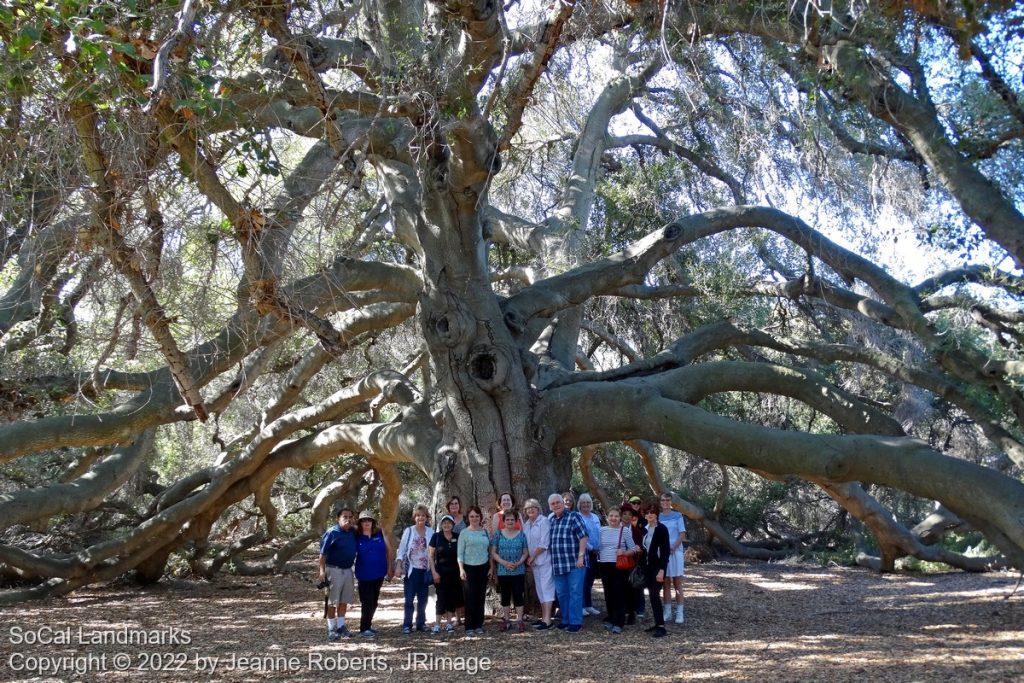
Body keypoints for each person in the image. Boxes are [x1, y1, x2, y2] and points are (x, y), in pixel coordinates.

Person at [547, 492, 588, 633]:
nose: (556, 505)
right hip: (558, 564)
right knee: (562, 594)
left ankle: (575, 622)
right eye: (553, 504)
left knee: (575, 592)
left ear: (562, 503)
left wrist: (581, 556)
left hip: (575, 563)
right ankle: (565, 620)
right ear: (550, 507)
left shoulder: (573, 516)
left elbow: (583, 537)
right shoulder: (551, 520)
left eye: (558, 502)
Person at [317, 507, 358, 641]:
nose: (347, 519)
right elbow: (323, 554)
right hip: (333, 569)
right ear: (338, 518)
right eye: (344, 517)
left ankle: (341, 626)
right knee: (333, 601)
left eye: (350, 517)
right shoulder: (332, 533)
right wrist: (322, 571)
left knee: (344, 599)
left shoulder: (352, 532)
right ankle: (331, 628)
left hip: (347, 569)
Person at [353, 510, 393, 638]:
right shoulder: (356, 536)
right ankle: (363, 628)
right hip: (364, 574)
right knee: (367, 602)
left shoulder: (380, 534)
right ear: (360, 523)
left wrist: (390, 567)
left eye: (369, 520)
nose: (366, 522)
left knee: (374, 601)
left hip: (379, 573)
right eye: (364, 520)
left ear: (373, 522)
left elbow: (389, 550)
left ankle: (368, 626)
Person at [395, 504, 434, 634]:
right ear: (414, 517)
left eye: (423, 515)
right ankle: (407, 624)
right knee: (409, 598)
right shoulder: (409, 531)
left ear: (426, 517)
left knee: (423, 599)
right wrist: (399, 566)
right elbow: (402, 549)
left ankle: (421, 623)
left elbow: (433, 551)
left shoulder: (430, 531)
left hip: (425, 570)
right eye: (418, 515)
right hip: (411, 569)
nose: (420, 518)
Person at [597, 507, 637, 634]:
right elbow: (597, 545)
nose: (613, 518)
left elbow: (634, 549)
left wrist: (624, 552)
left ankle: (619, 622)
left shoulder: (624, 531)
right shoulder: (601, 530)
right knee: (608, 593)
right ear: (607, 517)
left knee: (618, 593)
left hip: (618, 566)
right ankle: (611, 618)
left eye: (616, 516)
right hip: (604, 565)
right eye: (611, 516)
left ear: (619, 518)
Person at [491, 508, 529, 632]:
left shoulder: (521, 534)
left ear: (516, 521)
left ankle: (519, 621)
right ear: (504, 521)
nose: (510, 521)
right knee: (505, 595)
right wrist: (504, 563)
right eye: (507, 519)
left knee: (518, 594)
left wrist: (519, 562)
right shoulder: (498, 534)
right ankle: (506, 620)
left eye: (512, 519)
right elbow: (493, 552)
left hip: (518, 570)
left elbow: (525, 552)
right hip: (503, 570)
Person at [457, 505, 491, 635]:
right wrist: (461, 569)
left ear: (480, 517)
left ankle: (478, 625)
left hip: (483, 568)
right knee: (469, 597)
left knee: (480, 597)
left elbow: (489, 551)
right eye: (472, 516)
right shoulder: (464, 533)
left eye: (477, 516)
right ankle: (469, 626)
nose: (474, 518)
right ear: (468, 518)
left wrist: (491, 567)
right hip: (468, 568)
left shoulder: (484, 532)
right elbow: (460, 553)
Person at [523, 498, 555, 630]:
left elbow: (544, 543)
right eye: (528, 508)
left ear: (538, 509)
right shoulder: (526, 524)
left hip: (544, 561)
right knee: (540, 590)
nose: (530, 509)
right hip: (533, 563)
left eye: (533, 507)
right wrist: (528, 558)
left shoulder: (544, 521)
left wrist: (533, 556)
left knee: (547, 588)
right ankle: (543, 617)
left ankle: (548, 620)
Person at [429, 514, 462, 634]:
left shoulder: (457, 537)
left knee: (452, 598)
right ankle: (437, 624)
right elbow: (430, 556)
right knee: (441, 598)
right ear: (441, 525)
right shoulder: (436, 537)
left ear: (453, 525)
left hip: (455, 573)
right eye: (444, 523)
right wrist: (434, 572)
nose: (446, 525)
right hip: (440, 573)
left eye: (449, 523)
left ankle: (449, 623)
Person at [641, 502, 670, 638]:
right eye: (647, 512)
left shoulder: (662, 529)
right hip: (647, 568)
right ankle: (657, 623)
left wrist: (662, 570)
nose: (650, 514)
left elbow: (665, 552)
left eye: (652, 512)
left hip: (657, 568)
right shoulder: (645, 529)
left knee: (654, 594)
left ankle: (661, 627)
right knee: (652, 596)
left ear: (656, 513)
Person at [659, 492, 688, 624]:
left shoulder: (678, 516)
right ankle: (667, 612)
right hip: (663, 552)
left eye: (668, 500)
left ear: (671, 502)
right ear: (660, 502)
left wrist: (673, 547)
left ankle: (680, 613)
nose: (665, 502)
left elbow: (682, 534)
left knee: (677, 583)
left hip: (676, 551)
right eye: (663, 500)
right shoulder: (658, 516)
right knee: (665, 583)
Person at [577, 493, 602, 616]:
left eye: (588, 502)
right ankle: (581, 606)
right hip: (585, 552)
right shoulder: (578, 517)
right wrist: (591, 548)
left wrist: (599, 547)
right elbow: (580, 536)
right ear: (579, 505)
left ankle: (588, 605)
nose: (586, 504)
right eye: (583, 502)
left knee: (590, 580)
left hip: (596, 553)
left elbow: (600, 533)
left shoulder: (595, 517)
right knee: (583, 580)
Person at [620, 502, 646, 623]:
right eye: (624, 514)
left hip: (633, 564)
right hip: (618, 564)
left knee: (636, 587)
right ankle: (624, 611)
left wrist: (638, 550)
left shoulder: (636, 532)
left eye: (629, 514)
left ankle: (638, 611)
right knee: (622, 588)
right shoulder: (616, 529)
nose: (626, 516)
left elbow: (641, 548)